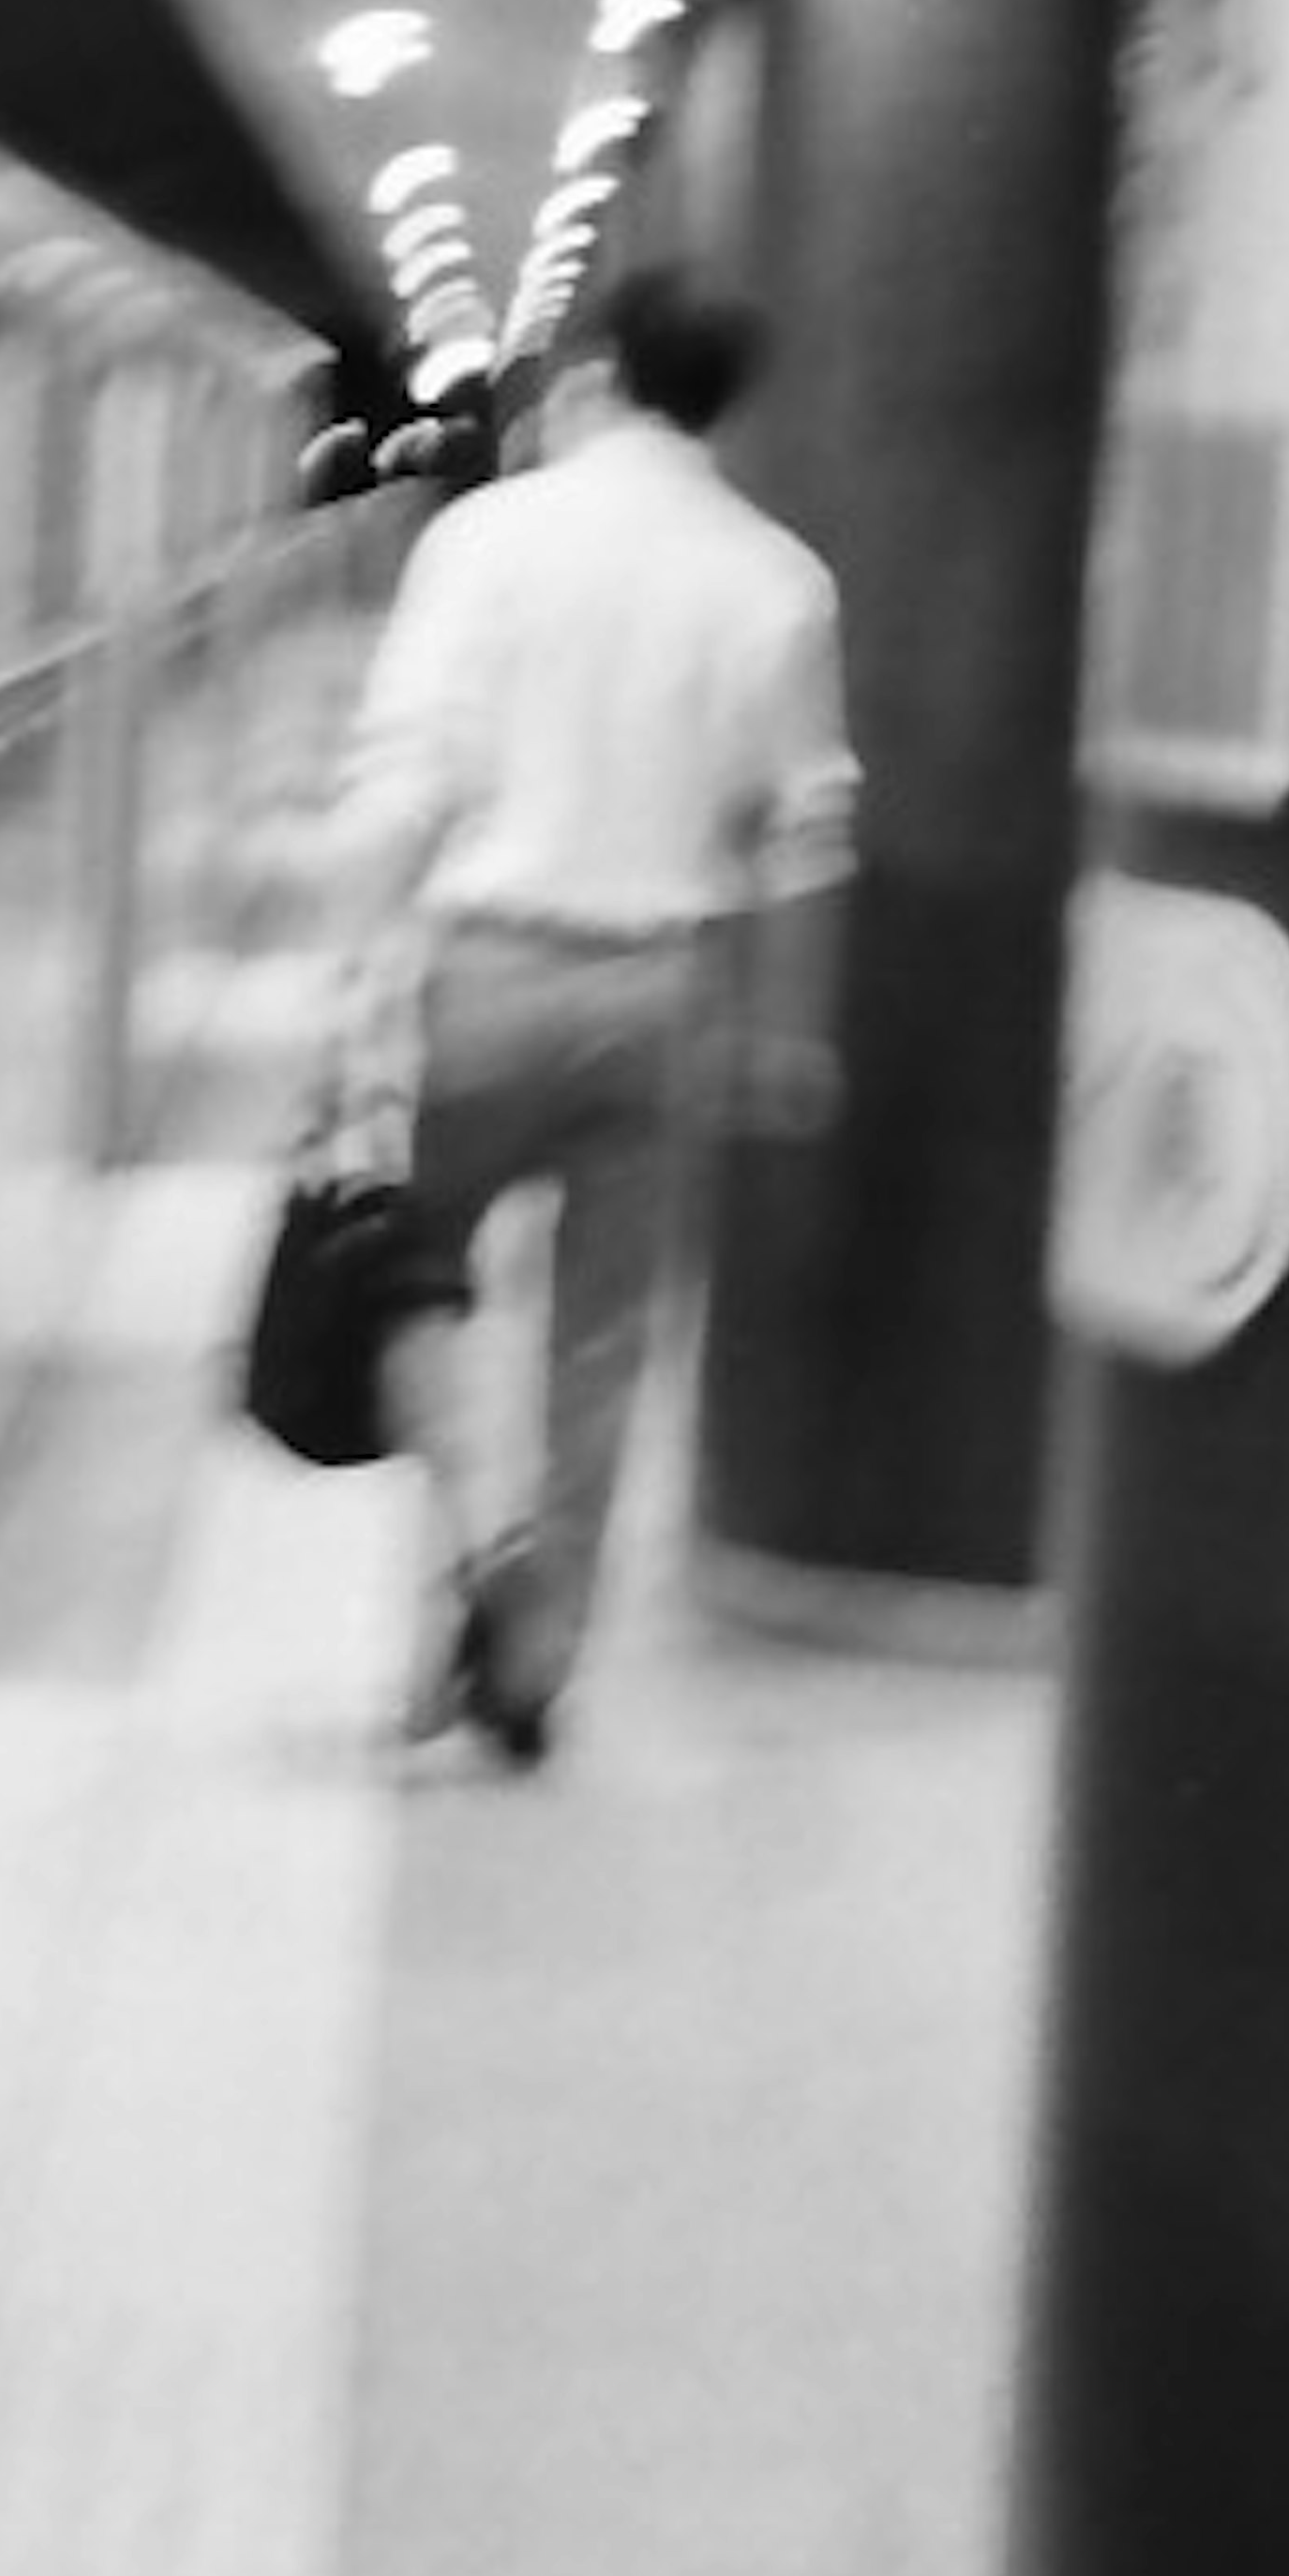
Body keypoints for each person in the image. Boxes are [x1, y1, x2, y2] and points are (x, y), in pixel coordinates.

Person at [326, 262, 855, 1760]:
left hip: (483, 971)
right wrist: (793, 1035)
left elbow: (407, 774)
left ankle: (480, 1563)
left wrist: (353, 977)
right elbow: (809, 830)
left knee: (397, 1281)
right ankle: (540, 1651)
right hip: (659, 990)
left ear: (601, 371)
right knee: (606, 1340)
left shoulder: (488, 539)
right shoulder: (775, 579)